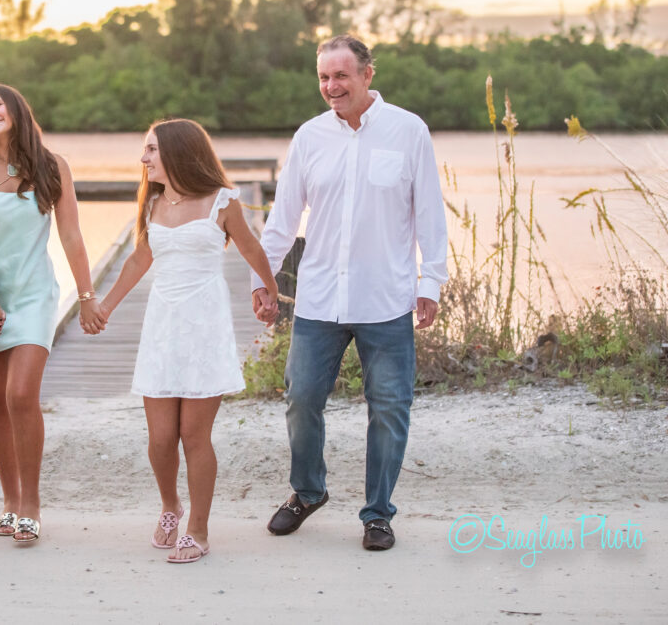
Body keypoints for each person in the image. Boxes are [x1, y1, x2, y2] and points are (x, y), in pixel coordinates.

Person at [252, 35, 448, 551]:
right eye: (323, 77)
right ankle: (308, 491)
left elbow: (430, 214)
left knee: (389, 407)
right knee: (301, 399)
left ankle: (378, 514)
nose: (331, 86)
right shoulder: (310, 137)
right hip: (319, 299)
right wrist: (262, 278)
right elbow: (283, 218)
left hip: (386, 299)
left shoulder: (408, 131)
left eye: (341, 75)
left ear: (367, 74)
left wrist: (431, 282)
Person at [96, 118, 279, 563]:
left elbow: (253, 250)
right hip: (162, 325)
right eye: (145, 149)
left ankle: (198, 527)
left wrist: (270, 294)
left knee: (193, 435)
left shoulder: (223, 201)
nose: (144, 159)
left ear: (178, 151)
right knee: (160, 437)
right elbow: (140, 258)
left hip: (205, 325)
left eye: (151, 149)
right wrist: (105, 306)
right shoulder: (152, 202)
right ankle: (170, 507)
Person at [0, 83, 104, 544]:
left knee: (21, 395)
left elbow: (72, 236)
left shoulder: (52, 166)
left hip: (36, 294)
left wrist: (88, 295)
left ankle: (31, 505)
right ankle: (10, 501)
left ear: (15, 108)